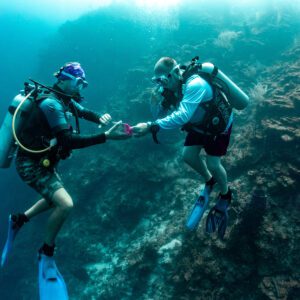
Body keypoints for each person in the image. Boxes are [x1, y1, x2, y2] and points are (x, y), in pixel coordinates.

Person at [1, 62, 131, 267]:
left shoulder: (65, 99)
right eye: (79, 82)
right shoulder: (51, 104)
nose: (81, 87)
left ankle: (19, 220)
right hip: (30, 164)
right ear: (64, 80)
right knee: (65, 204)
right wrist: (106, 136)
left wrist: (99, 117)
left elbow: (83, 110)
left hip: (43, 161)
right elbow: (68, 141)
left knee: (53, 199)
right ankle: (46, 252)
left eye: (84, 84)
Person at [132, 57, 233, 238]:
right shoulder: (175, 87)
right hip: (200, 124)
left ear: (174, 73)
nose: (160, 85)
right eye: (157, 81)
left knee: (213, 164)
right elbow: (164, 113)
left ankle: (226, 195)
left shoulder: (195, 84)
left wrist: (150, 126)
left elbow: (182, 116)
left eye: (162, 80)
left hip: (219, 126)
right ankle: (210, 181)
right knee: (188, 156)